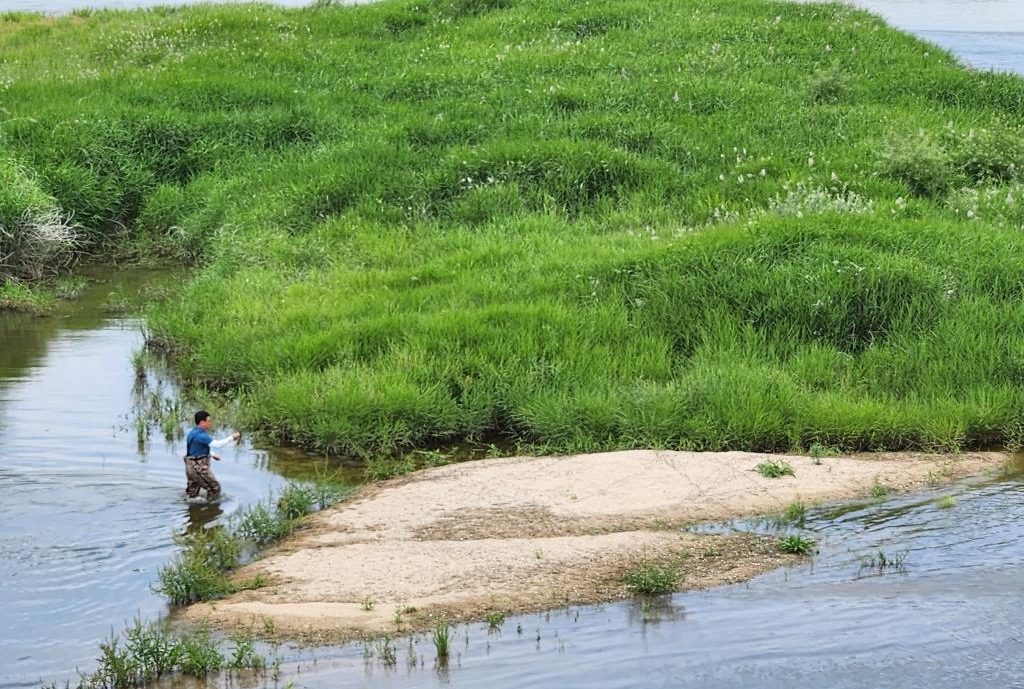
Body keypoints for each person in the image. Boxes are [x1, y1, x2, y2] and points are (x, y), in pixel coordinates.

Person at [184, 410, 240, 501]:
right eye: (209, 421)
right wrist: (232, 437)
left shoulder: (193, 433)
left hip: (190, 467)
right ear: (202, 422)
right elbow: (217, 445)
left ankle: (192, 511)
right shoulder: (201, 436)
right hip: (198, 468)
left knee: (192, 493)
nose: (211, 423)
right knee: (215, 488)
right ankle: (211, 511)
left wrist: (211, 454)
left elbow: (194, 450)